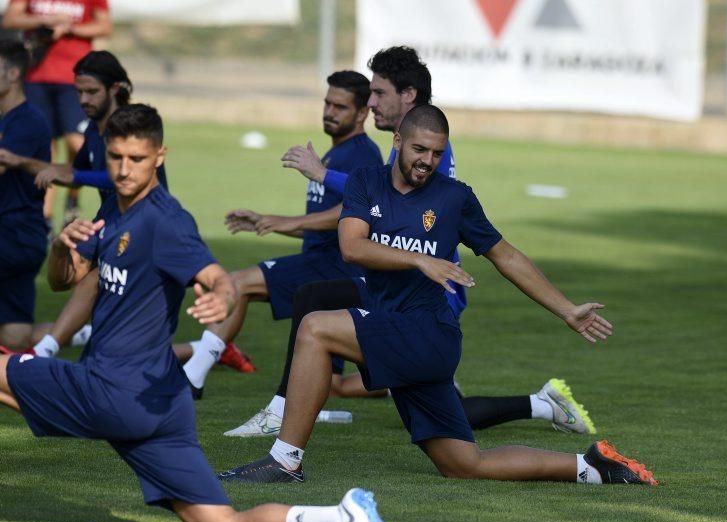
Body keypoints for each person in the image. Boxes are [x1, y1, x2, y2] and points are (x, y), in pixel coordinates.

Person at [0, 104, 394, 522]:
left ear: (160, 157)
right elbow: (62, 280)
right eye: (115, 157)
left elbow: (218, 278)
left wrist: (220, 297)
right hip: (161, 405)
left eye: (137, 159)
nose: (124, 169)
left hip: (111, 389)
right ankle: (344, 519)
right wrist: (59, 247)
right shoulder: (114, 213)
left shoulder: (165, 222)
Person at [216, 105, 657, 488]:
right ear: (397, 142)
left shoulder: (455, 198)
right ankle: (593, 467)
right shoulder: (366, 183)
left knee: (315, 327)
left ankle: (284, 460)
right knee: (465, 465)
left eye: (437, 152)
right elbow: (352, 246)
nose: (428, 161)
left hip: (428, 333)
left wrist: (567, 310)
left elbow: (506, 256)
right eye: (419, 150)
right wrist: (419, 260)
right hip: (397, 330)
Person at [224, 45, 593, 438]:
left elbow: (495, 250)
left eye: (379, 92)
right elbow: (373, 208)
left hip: (429, 301)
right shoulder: (397, 153)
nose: (371, 101)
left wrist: (323, 178)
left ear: (408, 96)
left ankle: (283, 429)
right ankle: (547, 413)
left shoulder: (430, 159)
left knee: (320, 315)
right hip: (395, 292)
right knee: (453, 447)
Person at [176, 70, 383, 399]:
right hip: (319, 260)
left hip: (334, 267)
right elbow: (320, 224)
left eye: (340, 107)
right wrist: (264, 222)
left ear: (362, 113)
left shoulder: (362, 154)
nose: (329, 112)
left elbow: (354, 213)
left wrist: (281, 221)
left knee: (237, 283)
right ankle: (405, 383)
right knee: (330, 385)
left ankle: (192, 378)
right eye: (327, 103)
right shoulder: (335, 153)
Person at [0, 50, 166, 359]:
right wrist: (24, 162)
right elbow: (73, 174)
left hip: (146, 223)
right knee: (66, 278)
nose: (83, 100)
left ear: (115, 89)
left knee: (94, 287)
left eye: (91, 92)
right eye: (78, 92)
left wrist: (67, 172)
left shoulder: (130, 127)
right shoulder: (92, 130)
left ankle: (46, 351)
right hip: (110, 221)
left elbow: (114, 177)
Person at [2, 0, 112, 223]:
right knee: (45, 146)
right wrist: (44, 21)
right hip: (36, 76)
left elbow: (105, 27)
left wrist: (69, 27)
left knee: (76, 143)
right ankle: (46, 215)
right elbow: (10, 19)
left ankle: (73, 195)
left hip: (75, 78)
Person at [0, 39, 53, 350]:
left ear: (13, 74)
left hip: (16, 235)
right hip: (10, 234)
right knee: (15, 338)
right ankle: (82, 332)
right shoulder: (5, 119)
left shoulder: (28, 121)